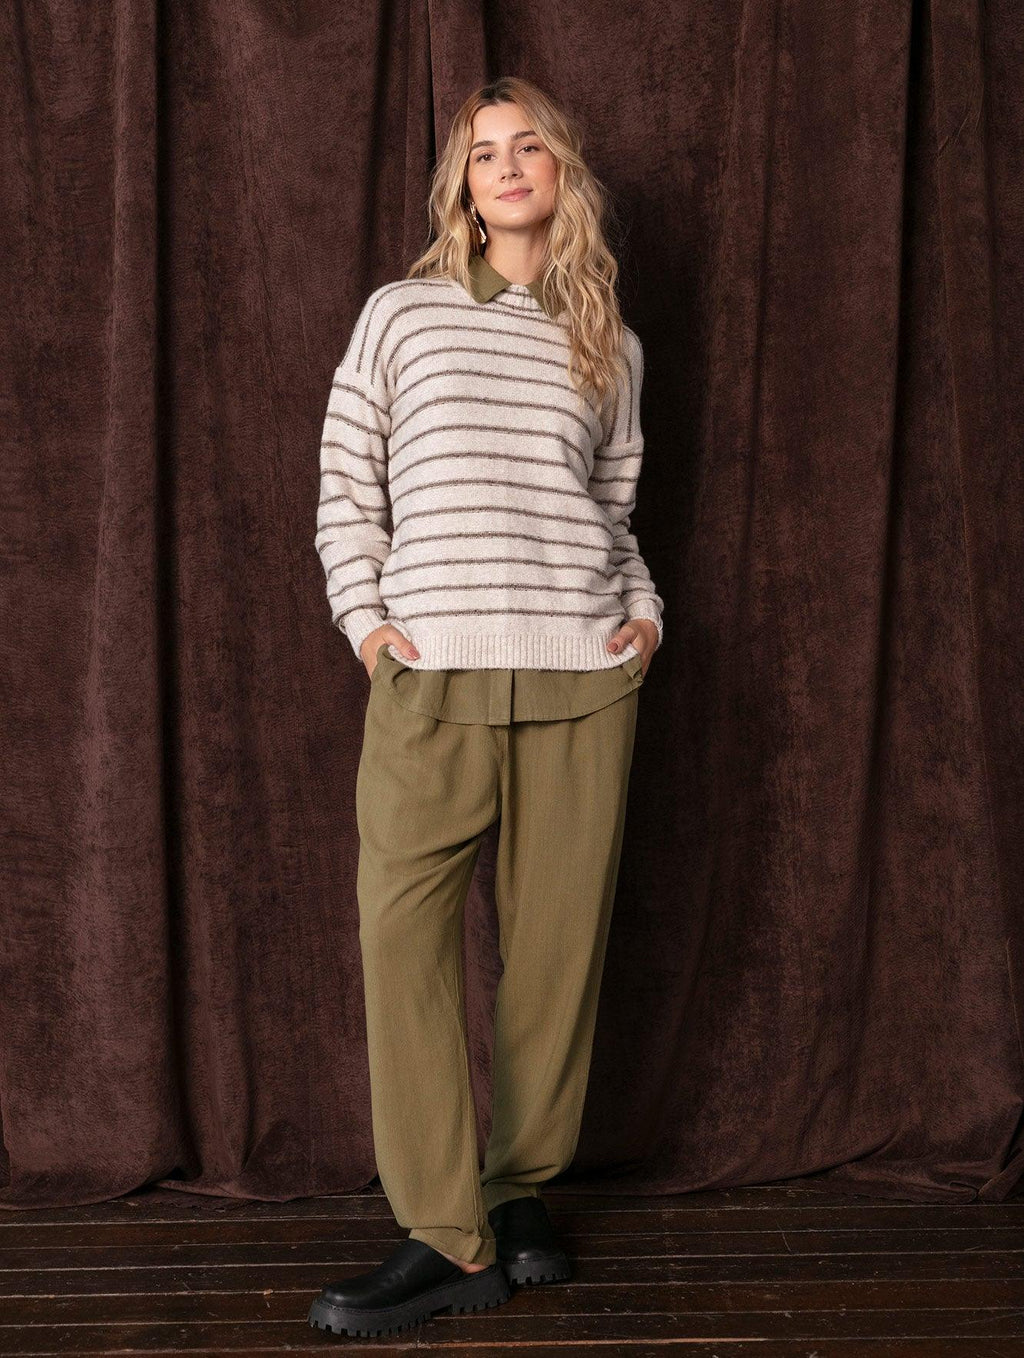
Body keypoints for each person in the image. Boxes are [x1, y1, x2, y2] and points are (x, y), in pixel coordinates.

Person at [307, 75, 665, 1339]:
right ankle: (445, 1231)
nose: (505, 168)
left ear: (561, 171)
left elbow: (613, 512)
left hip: (581, 672)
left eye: (526, 148)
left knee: (554, 959)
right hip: (431, 675)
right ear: (460, 186)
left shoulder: (609, 341)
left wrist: (645, 615)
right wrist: (368, 625)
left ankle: (517, 1191)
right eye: (481, 154)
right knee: (400, 940)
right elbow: (346, 484)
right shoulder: (400, 315)